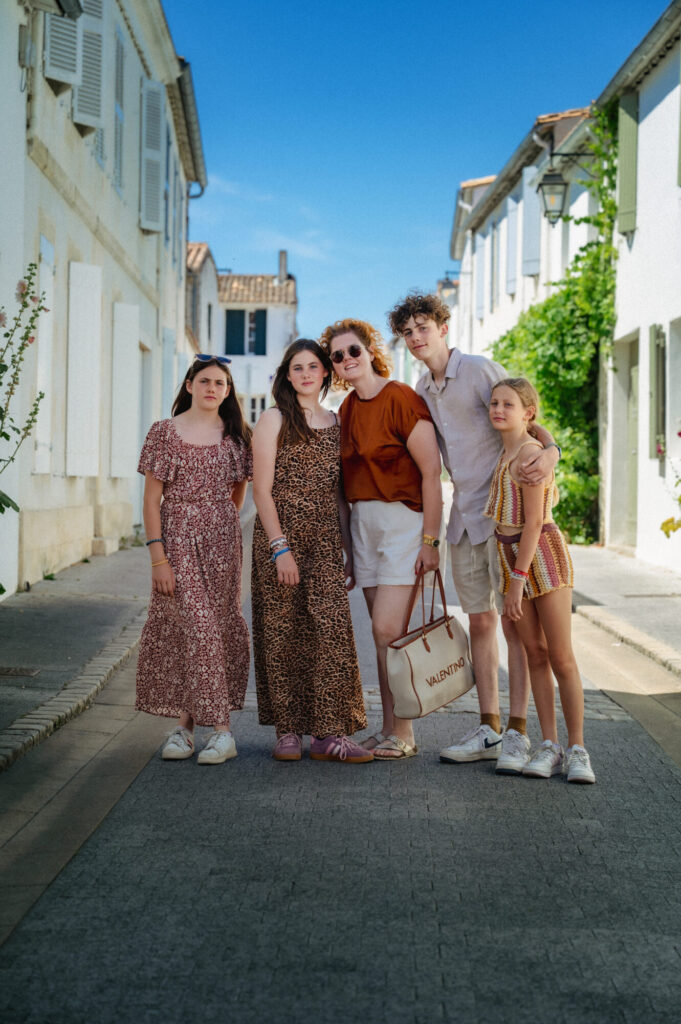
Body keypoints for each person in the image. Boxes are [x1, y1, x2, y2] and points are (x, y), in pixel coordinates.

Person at [387, 293, 560, 775]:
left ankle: (519, 733)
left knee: (514, 626)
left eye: (423, 327)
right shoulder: (421, 389)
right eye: (407, 332)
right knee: (480, 623)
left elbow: (525, 416)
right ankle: (489, 728)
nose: (416, 338)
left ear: (443, 328)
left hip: (505, 521)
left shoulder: (480, 370)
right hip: (463, 521)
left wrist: (552, 451)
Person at [319, 318, 443, 760]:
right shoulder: (346, 410)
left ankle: (405, 733)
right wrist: (350, 551)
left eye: (353, 350)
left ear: (370, 351)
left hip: (404, 524)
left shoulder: (401, 398)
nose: (347, 359)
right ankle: (390, 728)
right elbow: (342, 488)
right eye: (338, 356)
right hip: (364, 528)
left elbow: (432, 474)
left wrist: (431, 541)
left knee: (388, 629)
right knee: (382, 639)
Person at [251, 339, 371, 763]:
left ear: (325, 373)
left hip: (324, 540)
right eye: (297, 367)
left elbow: (339, 495)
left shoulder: (337, 422)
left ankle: (329, 733)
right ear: (287, 375)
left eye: (313, 367)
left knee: (331, 631)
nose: (305, 374)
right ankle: (287, 731)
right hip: (280, 537)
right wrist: (279, 548)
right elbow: (261, 491)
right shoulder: (274, 419)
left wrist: (349, 551)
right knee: (282, 631)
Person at [136, 354, 252, 765]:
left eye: (220, 383)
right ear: (189, 385)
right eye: (204, 381)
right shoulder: (164, 432)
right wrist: (158, 558)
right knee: (198, 626)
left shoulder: (237, 437)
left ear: (228, 390)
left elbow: (238, 493)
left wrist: (215, 522)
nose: (212, 389)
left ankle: (185, 729)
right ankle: (222, 731)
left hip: (223, 543)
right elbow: (151, 501)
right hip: (176, 539)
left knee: (213, 629)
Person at [484, 378, 595, 783]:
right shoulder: (509, 448)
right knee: (535, 653)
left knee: (560, 656)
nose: (498, 410)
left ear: (527, 412)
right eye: (494, 403)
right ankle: (550, 745)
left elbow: (533, 523)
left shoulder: (530, 455)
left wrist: (516, 582)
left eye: (508, 404)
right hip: (511, 556)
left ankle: (578, 749)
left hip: (542, 558)